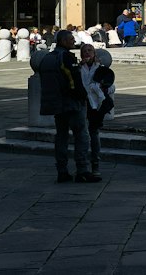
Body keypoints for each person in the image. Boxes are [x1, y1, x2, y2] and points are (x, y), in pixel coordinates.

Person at [38, 29, 98, 184]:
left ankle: (62, 170)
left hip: (57, 104)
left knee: (62, 136)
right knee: (81, 136)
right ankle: (82, 170)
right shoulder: (66, 56)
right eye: (71, 39)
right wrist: (82, 96)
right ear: (63, 41)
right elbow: (72, 81)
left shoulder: (48, 57)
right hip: (71, 103)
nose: (74, 42)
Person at [79, 44, 115, 175]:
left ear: (94, 54)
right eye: (84, 51)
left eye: (90, 51)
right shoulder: (77, 68)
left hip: (96, 106)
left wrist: (102, 87)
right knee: (82, 134)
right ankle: (82, 164)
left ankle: (95, 163)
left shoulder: (101, 69)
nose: (87, 53)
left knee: (94, 133)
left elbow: (112, 87)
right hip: (81, 103)